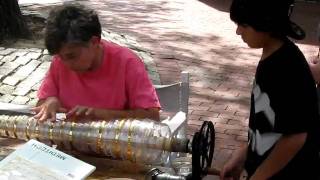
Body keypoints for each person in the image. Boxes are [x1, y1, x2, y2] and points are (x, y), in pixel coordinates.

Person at [220, 0, 320, 179]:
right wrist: (244, 154)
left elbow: (294, 137)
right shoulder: (271, 57)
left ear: (265, 23)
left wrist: (259, 176)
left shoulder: (285, 69)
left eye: (243, 25)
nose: (238, 31)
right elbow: (268, 123)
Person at [32, 4, 161, 122]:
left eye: (72, 56)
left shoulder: (128, 63)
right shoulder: (60, 61)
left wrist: (102, 115)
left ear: (94, 42)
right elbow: (42, 104)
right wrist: (50, 101)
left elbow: (152, 116)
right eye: (60, 57)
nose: (66, 64)